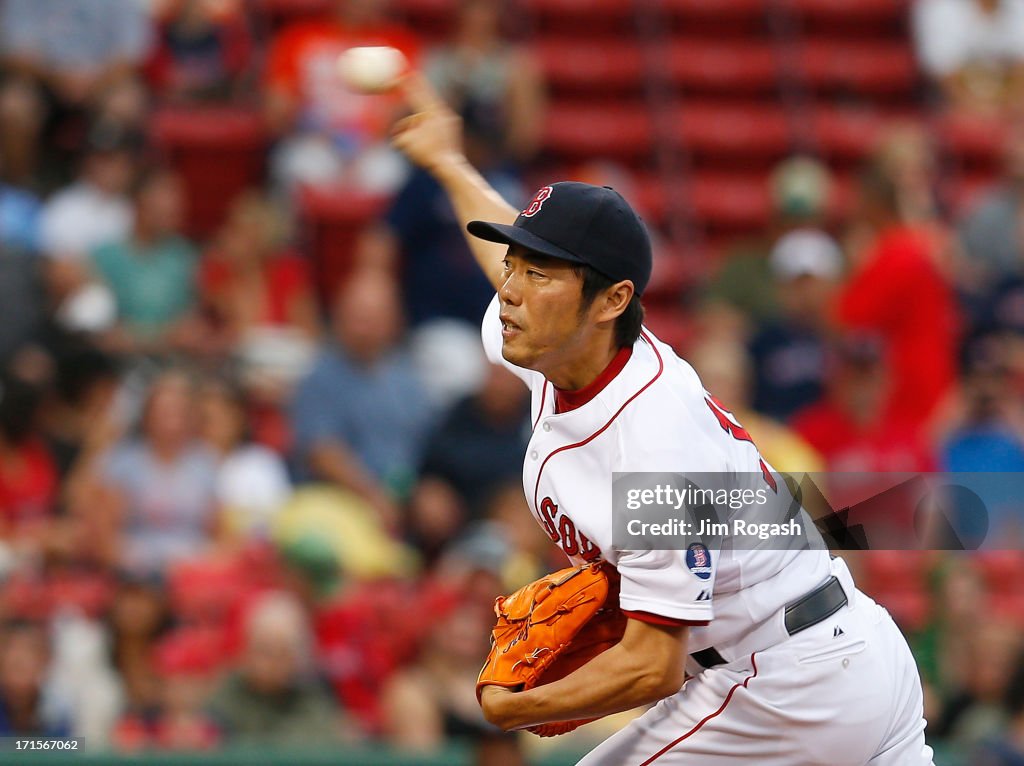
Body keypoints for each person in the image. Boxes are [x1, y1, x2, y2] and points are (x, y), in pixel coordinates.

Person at [389, 73, 935, 764]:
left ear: (612, 299)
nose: (513, 291)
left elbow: (653, 666)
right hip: (838, 655)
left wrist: (516, 707)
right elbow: (499, 252)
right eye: (517, 266)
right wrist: (448, 161)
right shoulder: (564, 341)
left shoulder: (653, 445)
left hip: (787, 684)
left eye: (541, 273)